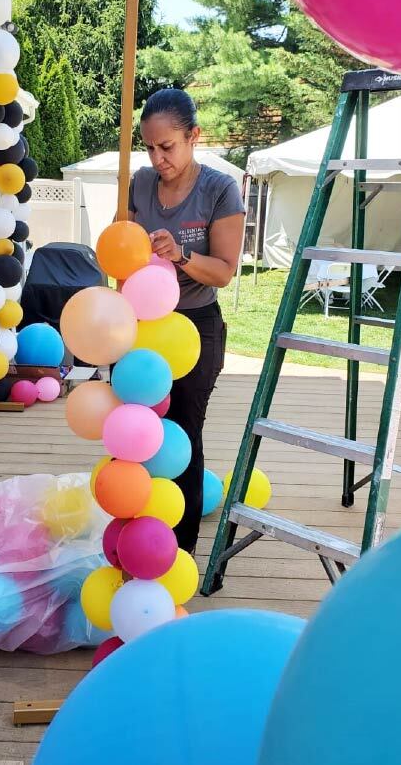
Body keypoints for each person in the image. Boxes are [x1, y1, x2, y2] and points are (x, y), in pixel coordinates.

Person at [127, 88, 246, 553]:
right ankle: (139, 532)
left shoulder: (219, 189)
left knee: (180, 435)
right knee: (137, 432)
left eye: (168, 146)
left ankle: (179, 550)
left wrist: (179, 254)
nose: (158, 158)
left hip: (196, 327)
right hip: (143, 327)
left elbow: (224, 271)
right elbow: (127, 252)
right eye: (150, 147)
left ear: (194, 136)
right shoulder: (138, 182)